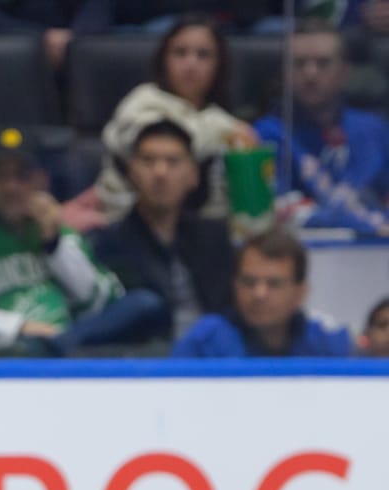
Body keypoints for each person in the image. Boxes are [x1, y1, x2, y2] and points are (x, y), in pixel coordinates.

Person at [0, 127, 158, 356]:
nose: (11, 186)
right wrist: (15, 328)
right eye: (0, 176)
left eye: (22, 175)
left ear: (42, 180)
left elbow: (102, 303)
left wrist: (54, 245)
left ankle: (59, 345)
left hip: (72, 349)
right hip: (2, 352)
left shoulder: (58, 231)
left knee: (146, 304)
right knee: (29, 349)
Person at [87, 15, 257, 228]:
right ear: (163, 59)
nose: (191, 63)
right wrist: (228, 133)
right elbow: (167, 143)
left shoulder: (222, 119)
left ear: (219, 65)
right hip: (128, 226)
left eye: (203, 55)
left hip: (205, 231)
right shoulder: (142, 101)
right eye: (180, 53)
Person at [92, 120, 237, 345]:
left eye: (173, 161)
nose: (160, 173)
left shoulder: (216, 238)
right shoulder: (108, 243)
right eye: (148, 161)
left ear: (193, 175)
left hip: (214, 363)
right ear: (131, 172)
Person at [253, 22, 389, 237]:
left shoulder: (374, 129)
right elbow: (276, 212)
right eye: (299, 63)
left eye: (323, 63)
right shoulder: (265, 135)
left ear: (345, 72)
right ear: (284, 73)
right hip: (302, 254)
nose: (310, 73)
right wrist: (368, 223)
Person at [172, 229, 353, 356]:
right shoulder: (204, 343)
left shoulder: (326, 344)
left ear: (300, 292)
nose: (259, 294)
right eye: (249, 282)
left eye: (274, 284)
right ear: (235, 286)